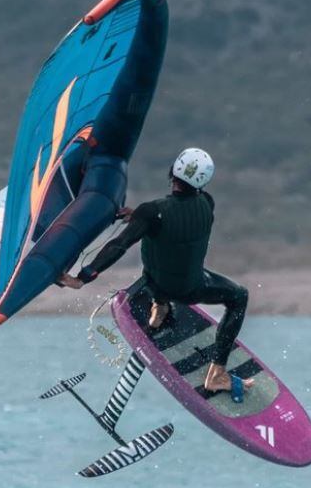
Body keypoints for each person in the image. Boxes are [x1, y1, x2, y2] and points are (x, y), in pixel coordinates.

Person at [58, 148, 253, 400]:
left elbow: (119, 245)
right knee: (239, 296)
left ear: (172, 172)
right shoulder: (208, 204)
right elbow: (179, 219)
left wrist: (81, 278)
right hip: (192, 288)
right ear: (203, 182)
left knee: (159, 257)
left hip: (153, 284)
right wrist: (141, 217)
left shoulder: (151, 213)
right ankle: (217, 374)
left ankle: (159, 309)